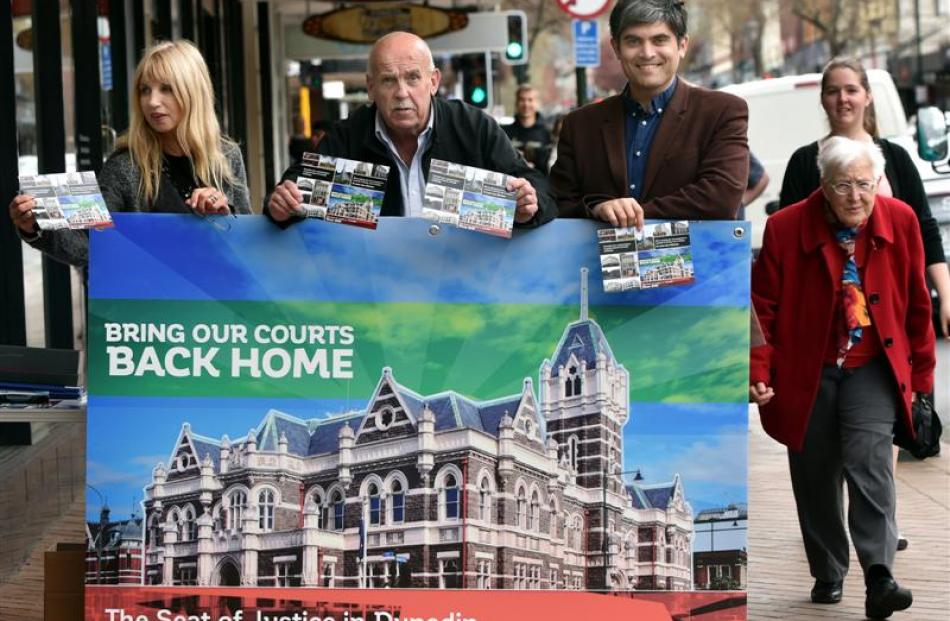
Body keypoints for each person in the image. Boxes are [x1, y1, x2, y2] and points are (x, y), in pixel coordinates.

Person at [750, 137, 934, 619]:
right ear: (824, 187)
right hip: (805, 368)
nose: (855, 197)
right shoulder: (786, 227)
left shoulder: (901, 219)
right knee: (816, 474)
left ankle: (880, 574)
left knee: (870, 464)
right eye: (843, 186)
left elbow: (917, 303)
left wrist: (923, 380)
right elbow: (763, 308)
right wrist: (759, 369)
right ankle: (829, 569)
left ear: (877, 182)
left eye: (864, 185)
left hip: (873, 365)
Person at [266, 32, 555, 227]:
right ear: (370, 88)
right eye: (388, 80)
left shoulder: (472, 126)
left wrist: (529, 206)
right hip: (375, 290)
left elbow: (540, 190)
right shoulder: (347, 136)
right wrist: (281, 206)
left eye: (413, 78)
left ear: (434, 82)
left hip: (466, 286)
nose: (401, 93)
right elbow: (291, 190)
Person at [8, 40, 250, 267]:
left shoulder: (227, 156)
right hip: (147, 308)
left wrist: (223, 214)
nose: (152, 101)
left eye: (167, 89)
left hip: (220, 306)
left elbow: (248, 245)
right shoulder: (124, 166)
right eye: (145, 90)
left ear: (194, 93)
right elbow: (91, 244)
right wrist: (34, 226)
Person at [778, 58, 950, 339]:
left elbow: (925, 230)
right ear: (822, 100)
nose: (842, 99)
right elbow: (788, 245)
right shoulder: (804, 162)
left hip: (896, 305)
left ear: (867, 96)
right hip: (828, 319)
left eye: (851, 90)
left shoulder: (896, 158)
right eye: (833, 91)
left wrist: (946, 296)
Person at [550, 0, 749, 228]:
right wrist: (598, 208)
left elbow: (720, 198)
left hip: (693, 260)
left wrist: (632, 214)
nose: (647, 53)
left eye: (659, 40)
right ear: (616, 48)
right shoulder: (580, 125)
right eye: (633, 41)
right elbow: (558, 202)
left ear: (682, 45)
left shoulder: (721, 112)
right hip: (597, 262)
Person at [503, 84, 553, 172]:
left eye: (530, 100)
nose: (526, 104)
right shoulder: (505, 133)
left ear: (537, 103)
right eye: (522, 100)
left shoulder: (548, 133)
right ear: (516, 103)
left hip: (540, 184)